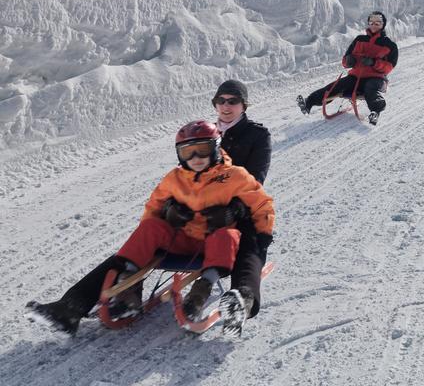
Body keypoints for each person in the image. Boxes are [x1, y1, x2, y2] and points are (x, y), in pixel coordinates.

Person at [25, 121, 275, 337]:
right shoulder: (173, 179)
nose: (196, 158)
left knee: (228, 234)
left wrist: (262, 236)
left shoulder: (235, 176)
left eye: (203, 149)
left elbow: (262, 204)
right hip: (181, 238)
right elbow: (152, 208)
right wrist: (167, 211)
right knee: (151, 227)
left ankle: (201, 290)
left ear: (217, 148)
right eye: (188, 152)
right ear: (179, 155)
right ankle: (75, 306)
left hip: (214, 244)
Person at [209, 79, 272, 325]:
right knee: (156, 229)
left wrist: (235, 207)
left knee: (250, 241)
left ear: (243, 105)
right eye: (221, 101)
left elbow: (256, 179)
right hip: (201, 205)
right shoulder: (206, 133)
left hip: (242, 206)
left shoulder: (257, 135)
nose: (226, 106)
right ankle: (108, 290)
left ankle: (242, 299)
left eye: (233, 101)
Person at [297, 10, 399, 125]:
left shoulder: (390, 45)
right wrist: (349, 61)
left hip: (377, 78)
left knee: (370, 88)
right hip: (356, 76)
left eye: (377, 23)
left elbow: (389, 67)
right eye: (371, 23)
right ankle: (309, 102)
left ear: (382, 25)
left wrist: (374, 62)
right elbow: (345, 61)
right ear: (368, 24)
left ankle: (375, 112)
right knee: (336, 85)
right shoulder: (359, 40)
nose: (374, 26)